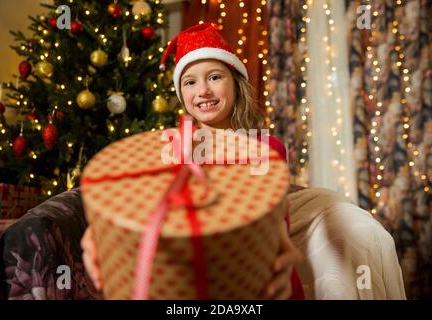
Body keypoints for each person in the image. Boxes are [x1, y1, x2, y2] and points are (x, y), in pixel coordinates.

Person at [81, 22, 305, 300]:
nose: (203, 91)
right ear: (181, 95)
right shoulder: (168, 149)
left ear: (236, 84)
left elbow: (272, 221)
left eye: (214, 77)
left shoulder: (265, 148)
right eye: (190, 82)